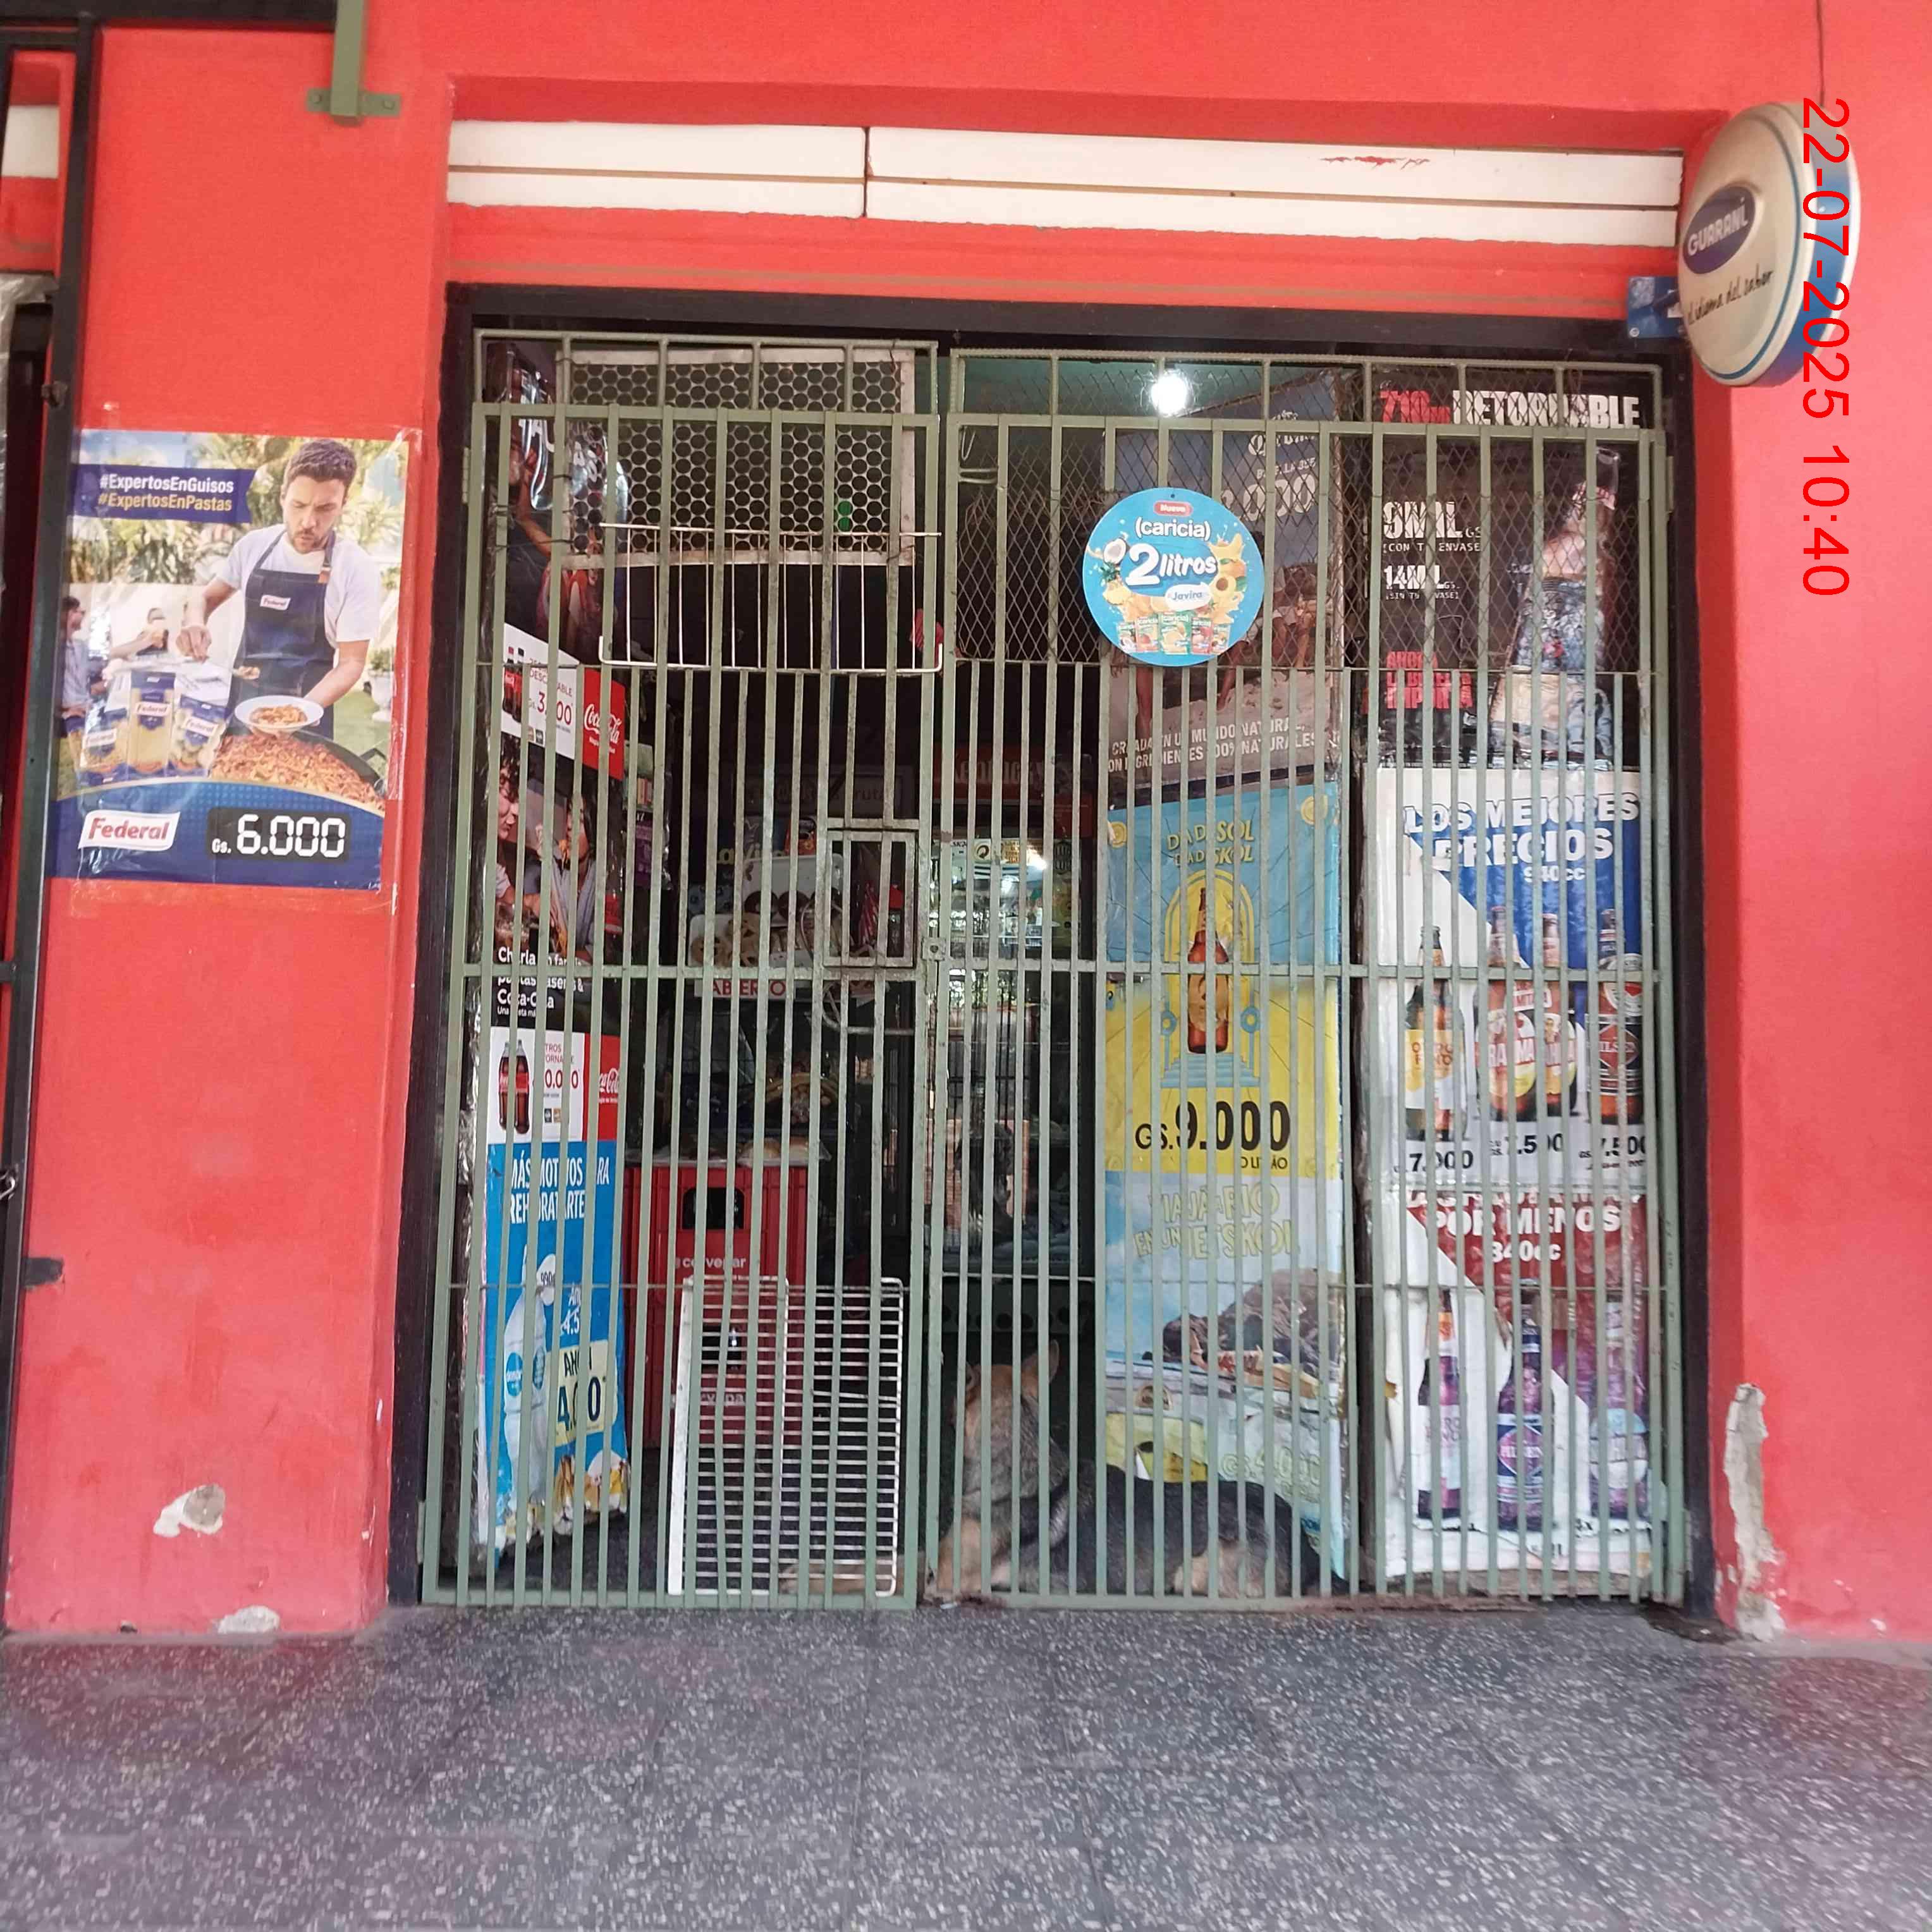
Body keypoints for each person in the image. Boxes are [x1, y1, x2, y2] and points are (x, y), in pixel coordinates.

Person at [178, 439, 382, 739]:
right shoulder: (254, 546)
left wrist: (296, 714)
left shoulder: (355, 567)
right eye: (298, 506)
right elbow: (205, 597)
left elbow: (352, 662)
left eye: (325, 508)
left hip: (309, 714)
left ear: (343, 504)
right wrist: (195, 622)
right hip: (242, 711)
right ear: (283, 496)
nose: (308, 522)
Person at [57, 596, 89, 728]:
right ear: (70, 614)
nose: (83, 614)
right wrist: (63, 714)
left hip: (85, 711)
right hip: (69, 718)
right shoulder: (55, 649)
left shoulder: (80, 646)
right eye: (79, 611)